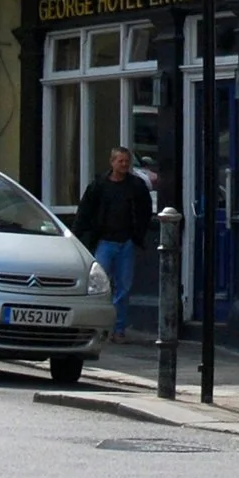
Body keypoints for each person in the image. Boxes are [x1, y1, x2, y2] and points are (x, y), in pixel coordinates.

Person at [74, 145, 154, 341]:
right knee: (98, 286)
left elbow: (145, 210)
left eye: (127, 161)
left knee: (123, 288)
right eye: (120, 161)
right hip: (104, 242)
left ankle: (118, 329)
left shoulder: (136, 186)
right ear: (112, 162)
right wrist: (78, 234)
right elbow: (85, 211)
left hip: (125, 243)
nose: (124, 164)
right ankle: (96, 328)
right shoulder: (99, 186)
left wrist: (139, 233)